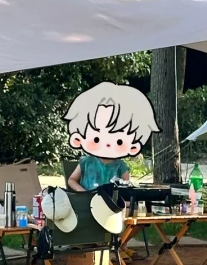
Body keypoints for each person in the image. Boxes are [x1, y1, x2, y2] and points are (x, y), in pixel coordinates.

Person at [55, 83, 159, 234]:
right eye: (97, 138)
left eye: (118, 141)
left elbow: (126, 188)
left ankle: (121, 243)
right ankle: (114, 242)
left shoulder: (121, 165)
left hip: (112, 204)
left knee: (140, 215)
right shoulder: (86, 161)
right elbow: (72, 180)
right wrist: (83, 192)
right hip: (89, 202)